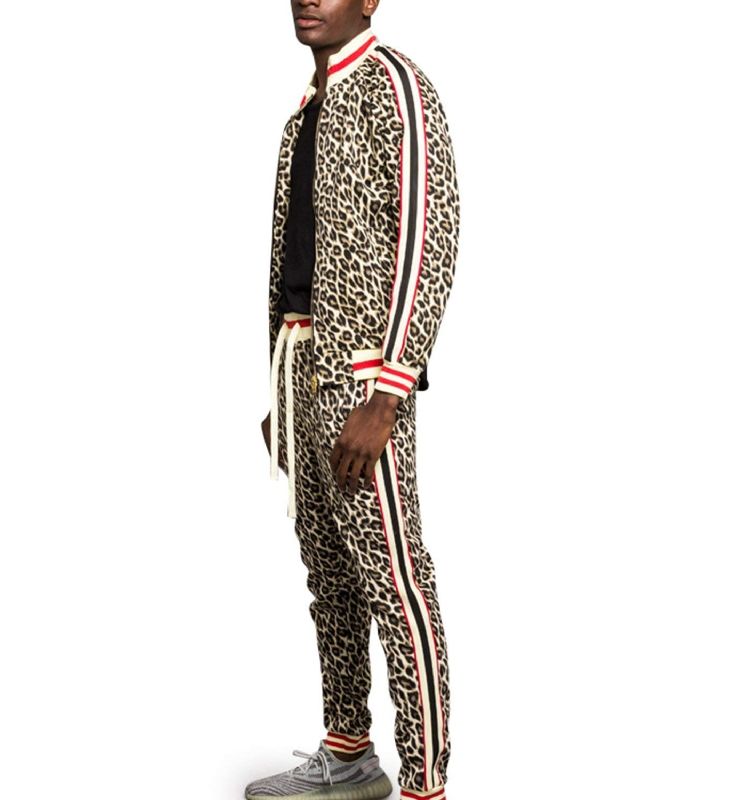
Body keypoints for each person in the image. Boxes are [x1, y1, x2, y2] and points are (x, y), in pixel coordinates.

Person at [247, 2, 460, 799]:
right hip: (301, 371)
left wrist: (391, 388)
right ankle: (348, 755)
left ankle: (426, 784)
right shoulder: (304, 110)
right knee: (329, 579)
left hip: (365, 383)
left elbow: (429, 238)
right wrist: (279, 389)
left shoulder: (395, 85)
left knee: (396, 583)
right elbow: (291, 264)